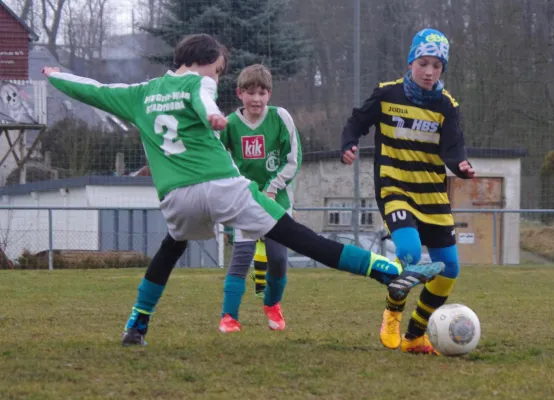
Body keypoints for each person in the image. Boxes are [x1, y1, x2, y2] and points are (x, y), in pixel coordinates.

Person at [42, 33, 443, 347]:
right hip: (221, 186)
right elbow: (201, 96)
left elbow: (91, 88)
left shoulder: (139, 94)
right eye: (217, 71)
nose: (216, 77)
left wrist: (56, 76)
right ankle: (389, 271)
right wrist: (214, 114)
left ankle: (137, 323)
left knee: (170, 250)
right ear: (202, 64)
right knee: (298, 236)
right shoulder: (198, 86)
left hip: (176, 198)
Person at [340, 28, 475, 355]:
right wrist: (349, 144)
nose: (429, 72)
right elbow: (356, 122)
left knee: (450, 269)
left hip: (432, 194)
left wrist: (462, 167)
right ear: (412, 61)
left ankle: (416, 334)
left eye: (437, 66)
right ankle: (392, 314)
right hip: (395, 186)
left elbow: (452, 149)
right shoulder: (387, 94)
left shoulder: (446, 105)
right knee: (411, 252)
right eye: (423, 63)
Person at [218, 64, 301, 333]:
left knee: (278, 259)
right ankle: (229, 316)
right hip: (245, 201)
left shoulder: (281, 118)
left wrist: (273, 187)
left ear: (270, 94)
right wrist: (236, 190)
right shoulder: (229, 125)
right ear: (239, 93)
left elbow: (293, 160)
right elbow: (220, 160)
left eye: (262, 93)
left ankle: (272, 305)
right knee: (241, 258)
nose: (256, 98)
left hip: (277, 202)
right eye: (251, 92)